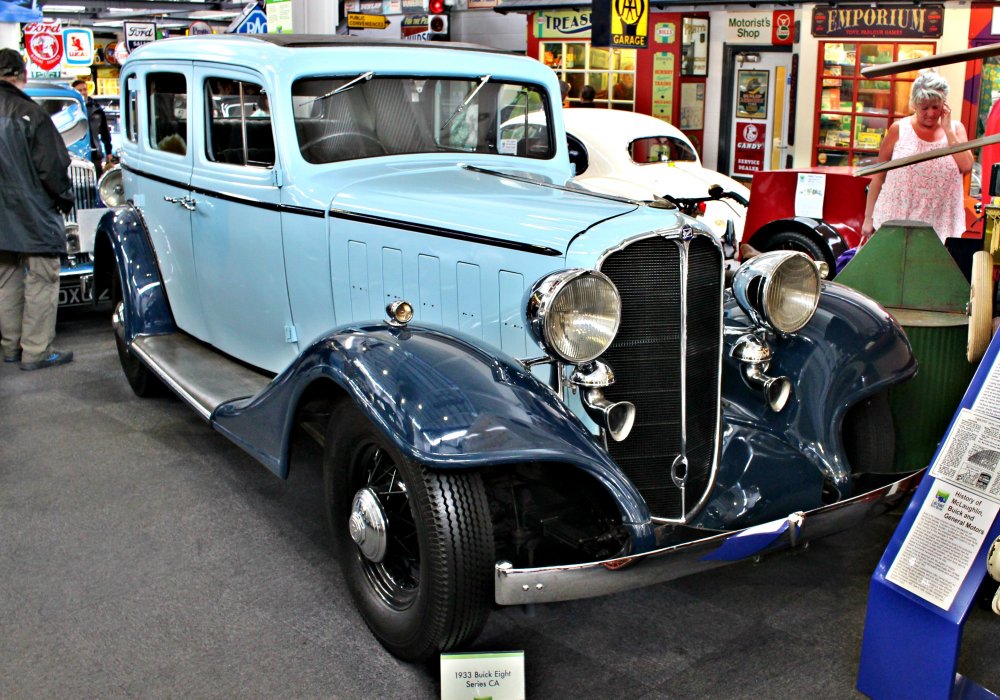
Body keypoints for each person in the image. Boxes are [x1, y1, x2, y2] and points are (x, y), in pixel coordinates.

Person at [0, 48, 75, 370]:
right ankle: (36, 351)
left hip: (2, 217)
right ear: (22, 74)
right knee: (42, 279)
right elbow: (53, 168)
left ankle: (10, 347)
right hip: (32, 212)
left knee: (6, 279)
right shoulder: (31, 114)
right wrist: (64, 199)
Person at [862, 69, 973, 243]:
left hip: (940, 223)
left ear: (944, 105)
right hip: (896, 220)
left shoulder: (956, 129)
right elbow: (878, 177)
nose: (930, 113)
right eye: (924, 108)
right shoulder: (898, 129)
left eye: (936, 107)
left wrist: (948, 131)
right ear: (914, 104)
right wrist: (868, 218)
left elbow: (966, 166)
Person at [71, 78, 113, 174]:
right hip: (76, 154)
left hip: (95, 153)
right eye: (79, 90)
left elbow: (105, 132)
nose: (83, 92)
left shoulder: (96, 109)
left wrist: (109, 152)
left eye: (84, 89)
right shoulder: (70, 110)